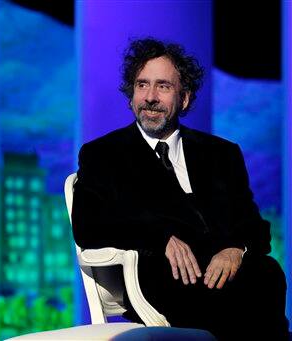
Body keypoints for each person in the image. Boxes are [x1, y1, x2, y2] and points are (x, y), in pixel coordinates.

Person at [72, 38, 289, 340]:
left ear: (184, 98)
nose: (150, 97)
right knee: (241, 299)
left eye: (163, 86)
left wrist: (236, 249)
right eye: (142, 85)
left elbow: (254, 226)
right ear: (131, 96)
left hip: (225, 272)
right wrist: (160, 237)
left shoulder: (221, 154)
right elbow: (88, 227)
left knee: (266, 273)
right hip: (163, 274)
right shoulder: (102, 154)